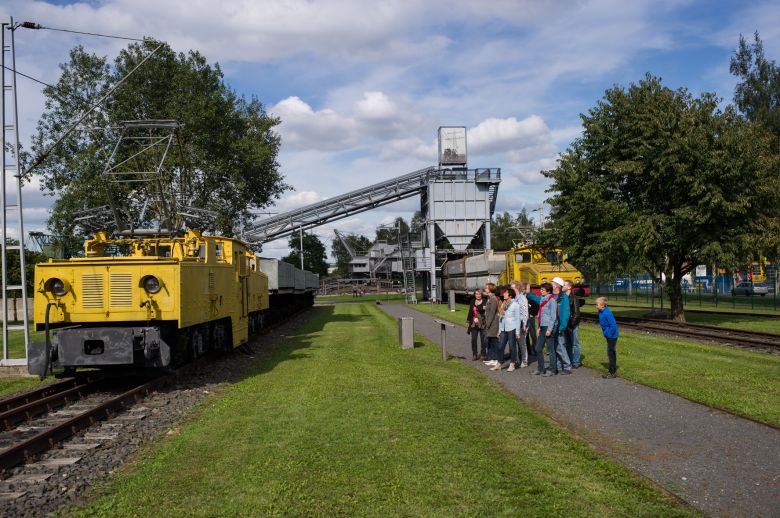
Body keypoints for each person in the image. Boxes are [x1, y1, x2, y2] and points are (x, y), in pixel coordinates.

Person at [526, 282, 557, 376]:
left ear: (548, 291)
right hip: (543, 326)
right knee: (538, 348)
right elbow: (540, 315)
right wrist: (539, 327)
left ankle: (552, 369)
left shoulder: (552, 300)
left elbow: (553, 316)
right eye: (541, 289)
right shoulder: (542, 299)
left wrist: (550, 329)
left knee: (550, 349)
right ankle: (541, 368)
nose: (540, 291)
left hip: (548, 327)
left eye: (543, 290)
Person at [492, 286, 522, 371]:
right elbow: (501, 319)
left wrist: (517, 332)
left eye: (506, 293)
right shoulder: (503, 304)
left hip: (512, 328)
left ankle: (512, 363)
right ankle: (499, 363)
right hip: (504, 329)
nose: (504, 294)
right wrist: (499, 330)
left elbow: (517, 319)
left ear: (510, 295)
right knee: (500, 346)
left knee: (512, 347)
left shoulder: (515, 305)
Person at [551, 277, 573, 374]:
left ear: (556, 285)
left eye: (552, 283)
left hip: (560, 326)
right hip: (553, 326)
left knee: (560, 346)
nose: (551, 284)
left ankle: (567, 366)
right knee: (556, 347)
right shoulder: (551, 296)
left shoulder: (563, 297)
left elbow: (566, 313)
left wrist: (562, 327)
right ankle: (559, 367)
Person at [597, 297, 619, 378]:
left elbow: (613, 325)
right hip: (608, 335)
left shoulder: (607, 313)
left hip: (612, 336)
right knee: (610, 352)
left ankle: (612, 372)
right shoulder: (601, 312)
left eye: (597, 304)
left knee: (611, 353)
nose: (596, 306)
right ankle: (612, 370)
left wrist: (608, 334)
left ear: (602, 305)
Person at [564, 281, 583, 368]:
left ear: (569, 287)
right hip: (566, 324)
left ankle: (576, 362)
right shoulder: (563, 298)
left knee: (575, 343)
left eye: (564, 285)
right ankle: (569, 360)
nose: (562, 286)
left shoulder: (574, 298)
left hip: (572, 325)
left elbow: (576, 314)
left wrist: (572, 325)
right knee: (568, 343)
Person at [511, 281, 529, 367]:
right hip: (515, 323)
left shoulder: (522, 298)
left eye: (512, 288)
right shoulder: (515, 298)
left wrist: (524, 324)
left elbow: (525, 312)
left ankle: (524, 361)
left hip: (522, 323)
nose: (511, 289)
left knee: (522, 342)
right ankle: (518, 359)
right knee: (517, 341)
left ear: (517, 288)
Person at [466, 288, 487, 361]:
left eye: (479, 294)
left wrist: (480, 316)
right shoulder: (472, 301)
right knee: (473, 339)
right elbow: (470, 312)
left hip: (483, 323)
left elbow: (485, 311)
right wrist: (468, 321)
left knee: (483, 340)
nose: (478, 295)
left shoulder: (485, 301)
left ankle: (483, 354)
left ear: (482, 294)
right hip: (474, 324)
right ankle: (474, 354)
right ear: (474, 294)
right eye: (476, 294)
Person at [482, 283, 500, 367]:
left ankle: (496, 359)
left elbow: (492, 312)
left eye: (486, 288)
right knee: (491, 341)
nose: (485, 289)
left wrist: (488, 324)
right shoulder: (489, 298)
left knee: (494, 341)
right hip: (490, 323)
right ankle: (492, 359)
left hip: (493, 324)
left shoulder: (493, 299)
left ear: (490, 289)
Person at [525, 283, 538, 359]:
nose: (529, 289)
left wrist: (532, 314)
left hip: (530, 317)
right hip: (524, 318)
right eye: (527, 288)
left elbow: (536, 306)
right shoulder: (522, 297)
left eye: (529, 288)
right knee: (525, 335)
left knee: (533, 334)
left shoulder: (532, 297)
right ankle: (528, 350)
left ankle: (535, 349)